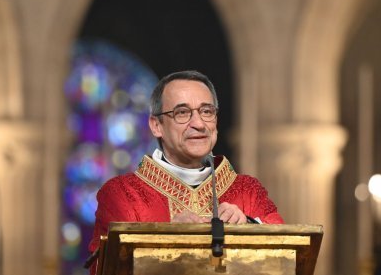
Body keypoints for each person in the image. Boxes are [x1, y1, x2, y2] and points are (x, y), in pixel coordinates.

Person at [88, 70, 283, 272]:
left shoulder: (247, 190)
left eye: (206, 111)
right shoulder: (122, 194)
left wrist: (249, 227)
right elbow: (104, 269)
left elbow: (287, 255)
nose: (198, 124)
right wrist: (164, 237)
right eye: (182, 113)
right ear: (156, 126)